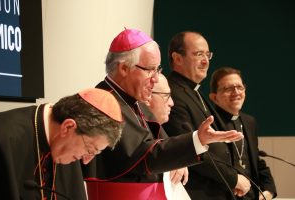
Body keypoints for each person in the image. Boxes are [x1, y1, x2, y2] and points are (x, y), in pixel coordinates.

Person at [83, 28, 243, 200]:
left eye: (157, 69)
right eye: (150, 69)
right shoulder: (104, 102)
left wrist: (177, 161)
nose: (155, 78)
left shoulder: (135, 102)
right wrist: (197, 140)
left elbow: (162, 143)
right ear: (123, 68)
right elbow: (144, 155)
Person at [0, 88, 124, 200]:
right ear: (67, 127)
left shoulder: (67, 145)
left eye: (95, 153)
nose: (86, 161)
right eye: (89, 150)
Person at [162, 31, 244, 199]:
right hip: (198, 192)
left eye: (208, 54)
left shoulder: (193, 91)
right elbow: (188, 146)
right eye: (199, 54)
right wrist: (232, 179)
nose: (206, 61)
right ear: (177, 58)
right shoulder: (173, 93)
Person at [209, 67, 277, 199]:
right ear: (214, 97)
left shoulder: (249, 121)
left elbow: (256, 161)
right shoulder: (209, 124)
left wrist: (269, 190)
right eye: (228, 89)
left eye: (239, 87)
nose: (236, 92)